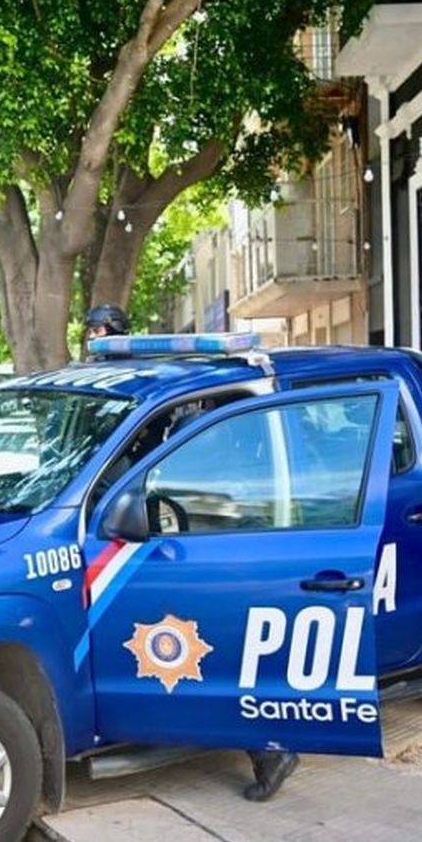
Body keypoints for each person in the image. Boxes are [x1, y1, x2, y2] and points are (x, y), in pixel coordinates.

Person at [80, 303, 300, 801]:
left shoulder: (154, 394)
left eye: (101, 331)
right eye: (91, 331)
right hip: (141, 532)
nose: (94, 338)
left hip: (176, 533)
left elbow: (167, 469)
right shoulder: (113, 391)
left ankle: (269, 748)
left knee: (198, 654)